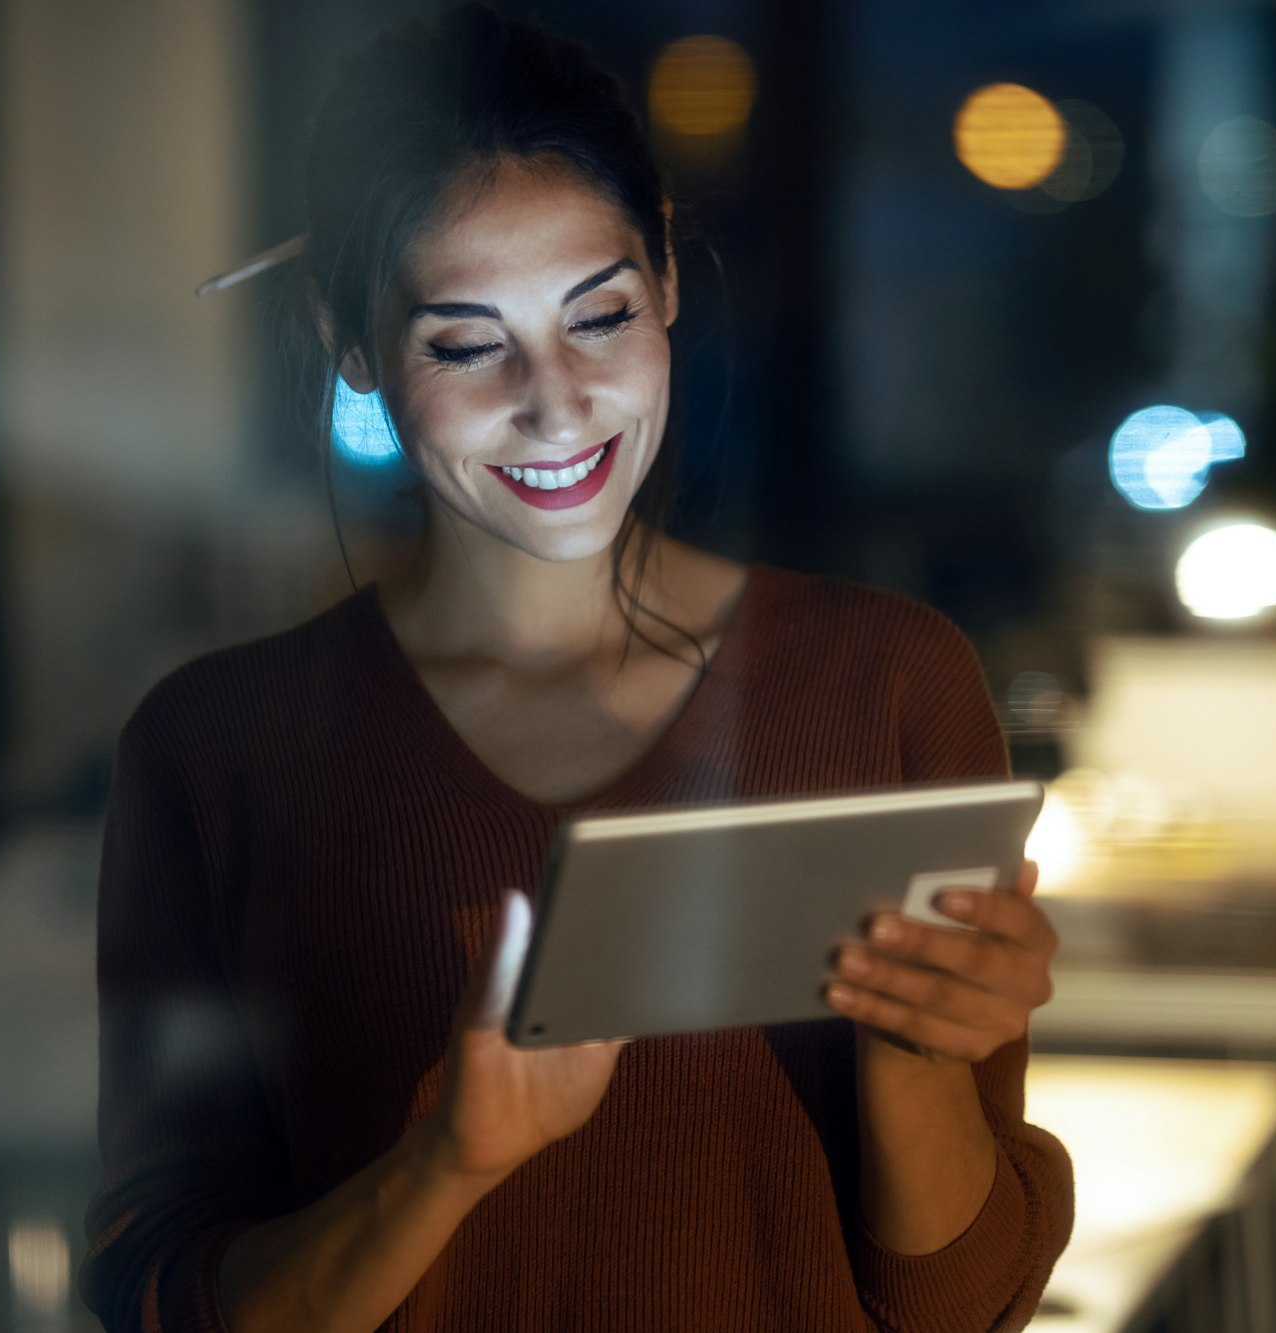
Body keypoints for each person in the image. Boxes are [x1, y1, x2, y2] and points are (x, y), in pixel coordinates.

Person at [79, 7, 1072, 1330]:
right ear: (352, 342)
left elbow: (952, 1306)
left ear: (664, 268)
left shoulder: (888, 682)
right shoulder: (216, 748)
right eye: (466, 342)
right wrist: (449, 1166)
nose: (555, 404)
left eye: (598, 316)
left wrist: (915, 1054)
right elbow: (167, 1297)